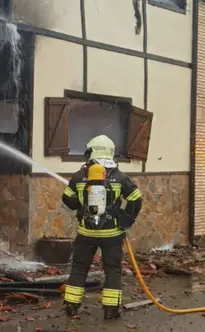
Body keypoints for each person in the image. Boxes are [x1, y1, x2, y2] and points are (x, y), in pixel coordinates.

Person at [60, 135, 143, 320]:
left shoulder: (79, 176)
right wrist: (125, 219)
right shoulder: (120, 177)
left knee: (79, 268)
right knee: (112, 269)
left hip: (86, 233)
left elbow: (67, 198)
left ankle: (72, 305)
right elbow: (136, 199)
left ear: (92, 151)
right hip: (112, 234)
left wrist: (82, 205)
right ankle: (111, 309)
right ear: (110, 152)